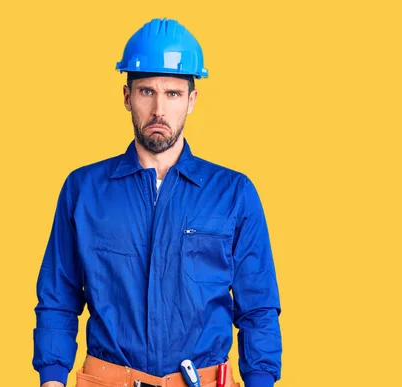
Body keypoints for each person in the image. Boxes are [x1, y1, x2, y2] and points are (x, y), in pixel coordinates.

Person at [32, 17, 282, 387]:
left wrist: (260, 380)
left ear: (192, 100)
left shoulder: (233, 193)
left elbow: (259, 307)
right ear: (126, 97)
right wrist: (52, 379)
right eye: (147, 91)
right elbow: (58, 295)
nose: (159, 110)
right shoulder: (83, 190)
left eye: (173, 94)